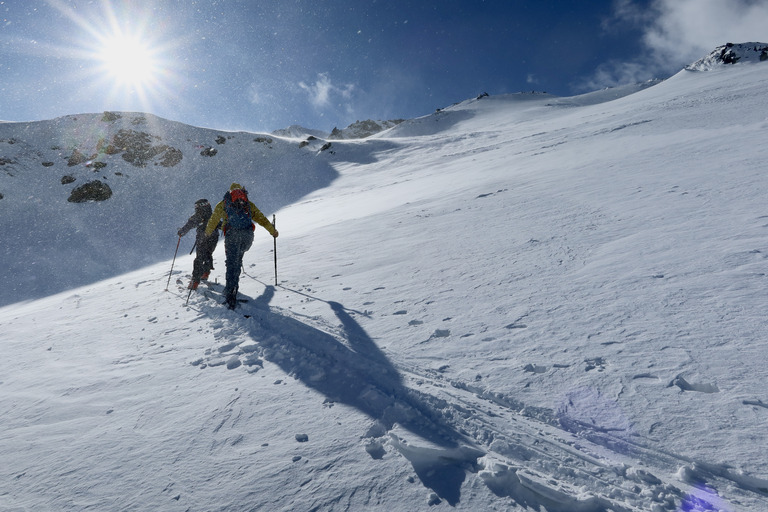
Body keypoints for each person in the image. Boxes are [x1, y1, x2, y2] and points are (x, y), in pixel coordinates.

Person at [204, 183, 278, 309]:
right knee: (237, 262)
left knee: (231, 263)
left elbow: (213, 220)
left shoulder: (223, 204)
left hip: (232, 235)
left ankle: (230, 293)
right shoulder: (248, 204)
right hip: (247, 236)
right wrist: (272, 231)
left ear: (230, 192)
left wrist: (207, 233)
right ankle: (234, 289)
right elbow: (262, 219)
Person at [178, 199, 220, 290]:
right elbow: (220, 225)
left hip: (202, 238)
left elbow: (189, 225)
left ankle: (195, 281)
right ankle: (205, 272)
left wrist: (181, 232)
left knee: (199, 258)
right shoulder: (213, 215)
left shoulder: (197, 216)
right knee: (208, 254)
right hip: (214, 237)